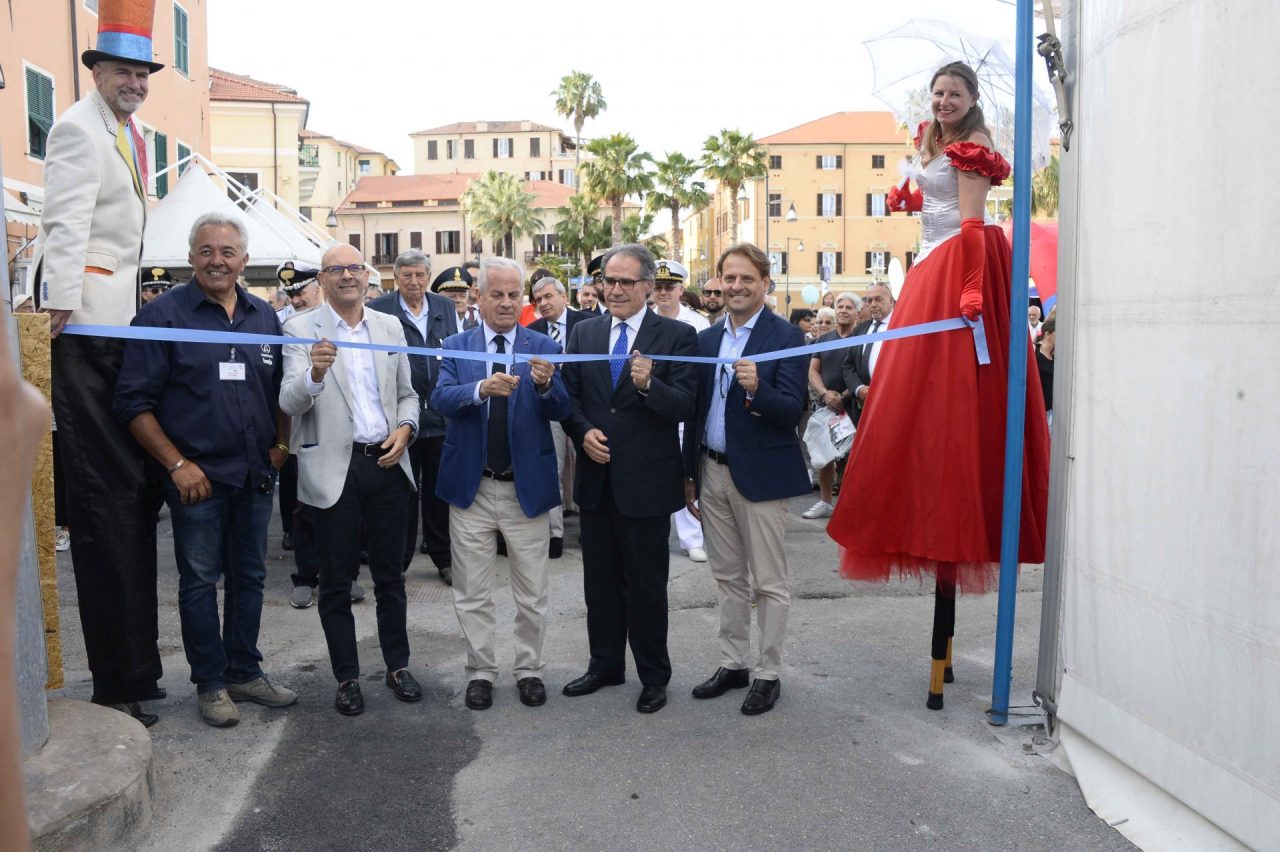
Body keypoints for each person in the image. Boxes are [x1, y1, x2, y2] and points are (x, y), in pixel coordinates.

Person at [827, 59, 1050, 594]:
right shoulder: (933, 136)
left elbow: (972, 224)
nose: (943, 100)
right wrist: (912, 199)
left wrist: (972, 285)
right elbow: (937, 201)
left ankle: (957, 499)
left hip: (958, 259)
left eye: (953, 93)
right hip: (929, 261)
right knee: (910, 384)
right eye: (937, 92)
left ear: (972, 98)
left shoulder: (972, 145)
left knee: (947, 380)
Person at [30, 4, 166, 727]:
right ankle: (117, 682)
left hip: (118, 329)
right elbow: (64, 220)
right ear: (98, 72)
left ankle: (136, 669)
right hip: (86, 333)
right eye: (123, 71)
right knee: (104, 508)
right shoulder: (81, 129)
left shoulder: (128, 132)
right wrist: (62, 307)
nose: (135, 82)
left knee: (131, 504)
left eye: (142, 73)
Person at [113, 212, 298, 727]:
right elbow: (132, 403)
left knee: (251, 577)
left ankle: (244, 670)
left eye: (228, 251)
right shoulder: (162, 317)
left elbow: (280, 388)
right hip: (196, 479)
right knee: (199, 581)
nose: (218, 260)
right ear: (191, 257)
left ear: (244, 259)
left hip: (255, 474)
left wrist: (281, 444)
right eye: (207, 251)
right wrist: (176, 464)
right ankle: (211, 683)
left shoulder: (265, 316)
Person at [280, 243, 423, 716]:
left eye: (354, 268)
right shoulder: (300, 329)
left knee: (391, 578)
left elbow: (408, 394)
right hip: (333, 471)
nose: (347, 275)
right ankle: (347, 677)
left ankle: (398, 665)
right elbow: (289, 402)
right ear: (321, 279)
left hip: (386, 462)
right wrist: (316, 374)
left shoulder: (389, 326)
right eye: (335, 269)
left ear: (368, 276)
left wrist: (406, 429)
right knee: (336, 582)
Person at [561, 244, 697, 714]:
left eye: (624, 282)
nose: (614, 289)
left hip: (647, 482)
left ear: (647, 286)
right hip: (597, 480)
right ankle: (604, 665)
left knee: (645, 585)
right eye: (608, 280)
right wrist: (583, 433)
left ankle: (654, 675)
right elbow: (570, 399)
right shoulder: (584, 333)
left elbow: (684, 405)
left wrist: (647, 386)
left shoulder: (677, 336)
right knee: (598, 582)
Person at [432, 257, 571, 710]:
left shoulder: (542, 344)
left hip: (524, 488)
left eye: (515, 295)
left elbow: (563, 408)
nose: (508, 302)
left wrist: (549, 386)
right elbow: (439, 399)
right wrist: (480, 391)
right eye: (498, 294)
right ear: (479, 296)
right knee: (472, 591)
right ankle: (481, 671)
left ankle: (529, 669)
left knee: (532, 591)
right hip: (471, 489)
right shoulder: (457, 344)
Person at [681, 244, 809, 716]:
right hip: (710, 470)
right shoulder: (707, 340)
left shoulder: (788, 337)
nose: (735, 287)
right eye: (728, 279)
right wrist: (689, 474)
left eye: (746, 280)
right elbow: (696, 415)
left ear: (764, 284)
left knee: (769, 583)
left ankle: (768, 673)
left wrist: (758, 390)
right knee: (727, 578)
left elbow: (791, 410)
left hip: (761, 477)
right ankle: (733, 664)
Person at [369, 250, 458, 585]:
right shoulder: (379, 310)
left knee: (438, 494)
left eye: (420, 275)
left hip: (440, 416)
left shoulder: (444, 307)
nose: (414, 282)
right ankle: (399, 562)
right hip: (398, 419)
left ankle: (443, 558)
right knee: (401, 494)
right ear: (396, 277)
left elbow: (454, 352)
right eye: (406, 275)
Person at [648, 260, 709, 562]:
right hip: (652, 406)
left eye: (668, 287)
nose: (663, 293)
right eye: (658, 287)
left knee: (687, 471)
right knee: (655, 472)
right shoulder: (643, 320)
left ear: (681, 289)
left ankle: (691, 538)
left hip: (685, 406)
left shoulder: (698, 324)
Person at [528, 276, 588, 557]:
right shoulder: (532, 331)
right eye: (538, 299)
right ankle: (554, 535)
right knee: (552, 467)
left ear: (565, 297)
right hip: (550, 406)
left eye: (549, 297)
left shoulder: (587, 325)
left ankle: (589, 530)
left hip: (583, 407)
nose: (543, 303)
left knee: (587, 466)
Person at [274, 261, 322, 555]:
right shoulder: (278, 322)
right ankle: (292, 532)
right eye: (290, 295)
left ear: (318, 286)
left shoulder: (332, 320)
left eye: (300, 292)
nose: (295, 300)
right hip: (290, 414)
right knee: (293, 479)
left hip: (324, 415)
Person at [803, 293, 861, 519]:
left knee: (853, 458)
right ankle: (825, 502)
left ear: (857, 312)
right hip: (825, 406)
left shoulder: (862, 338)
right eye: (840, 306)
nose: (844, 310)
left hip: (853, 405)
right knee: (823, 455)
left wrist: (845, 395)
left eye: (849, 307)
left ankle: (849, 505)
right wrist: (826, 394)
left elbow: (863, 372)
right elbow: (813, 370)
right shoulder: (823, 340)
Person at [840, 282, 895, 430]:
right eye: (870, 300)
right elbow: (848, 365)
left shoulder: (902, 327)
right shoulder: (861, 329)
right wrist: (858, 389)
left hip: (894, 405)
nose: (873, 304)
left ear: (891, 300)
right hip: (863, 408)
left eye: (878, 299)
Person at [433, 266, 476, 332]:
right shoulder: (432, 328)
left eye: (463, 296)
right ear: (440, 300)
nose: (458, 300)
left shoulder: (476, 329)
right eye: (452, 296)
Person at [1036, 314, 1055, 422]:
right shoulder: (1035, 351)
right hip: (1040, 409)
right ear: (1048, 334)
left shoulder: (1058, 356)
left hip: (1053, 410)